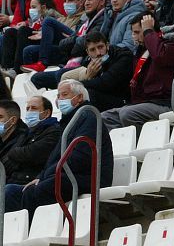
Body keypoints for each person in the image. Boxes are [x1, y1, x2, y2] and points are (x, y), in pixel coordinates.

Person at [3, 80, 113, 217]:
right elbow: (54, 158)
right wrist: (41, 176)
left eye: (64, 95)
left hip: (89, 177)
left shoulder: (88, 116)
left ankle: (38, 231)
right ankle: (12, 234)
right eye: (58, 96)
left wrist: (46, 176)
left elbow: (79, 157)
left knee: (38, 189)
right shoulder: (68, 121)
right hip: (69, 174)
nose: (59, 100)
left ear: (79, 98)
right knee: (11, 192)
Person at [101, 14, 174, 130]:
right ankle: (120, 147)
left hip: (168, 103)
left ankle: (139, 145)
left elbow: (160, 56)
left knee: (127, 114)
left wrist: (148, 31)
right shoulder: (143, 51)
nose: (134, 37)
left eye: (138, 32)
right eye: (133, 33)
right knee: (106, 117)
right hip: (147, 102)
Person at [2, 96, 60, 185]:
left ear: (46, 113)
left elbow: (32, 153)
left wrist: (14, 152)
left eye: (34, 108)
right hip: (15, 179)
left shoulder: (53, 131)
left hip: (27, 181)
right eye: (27, 108)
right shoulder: (28, 132)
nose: (29, 112)